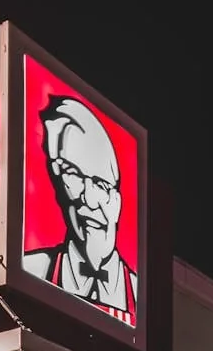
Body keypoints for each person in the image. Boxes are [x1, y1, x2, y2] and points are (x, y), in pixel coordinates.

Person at [23, 95, 137, 327]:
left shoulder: (138, 293)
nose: (89, 199)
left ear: (117, 201)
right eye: (73, 175)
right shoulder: (32, 269)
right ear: (59, 188)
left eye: (101, 184)